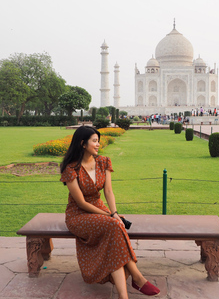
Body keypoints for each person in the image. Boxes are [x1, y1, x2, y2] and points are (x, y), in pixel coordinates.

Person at [60, 126, 160, 299]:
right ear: (83, 144)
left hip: (101, 210)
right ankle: (137, 277)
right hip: (78, 215)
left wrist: (114, 212)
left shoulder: (103, 162)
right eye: (94, 141)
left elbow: (108, 192)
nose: (98, 144)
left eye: (98, 141)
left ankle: (124, 295)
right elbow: (81, 203)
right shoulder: (71, 169)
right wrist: (109, 216)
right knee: (115, 225)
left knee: (115, 229)